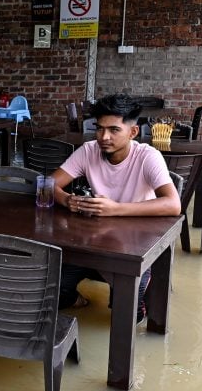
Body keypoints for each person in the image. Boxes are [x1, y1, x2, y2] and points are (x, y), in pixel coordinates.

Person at [50, 93, 181, 321]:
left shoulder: (148, 157)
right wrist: (65, 199)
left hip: (134, 247)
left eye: (114, 130)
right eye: (99, 128)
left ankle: (143, 289)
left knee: (125, 314)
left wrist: (115, 208)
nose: (104, 136)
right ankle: (76, 297)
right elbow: (50, 184)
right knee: (49, 290)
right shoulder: (88, 150)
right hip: (92, 242)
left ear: (132, 132)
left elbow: (173, 204)